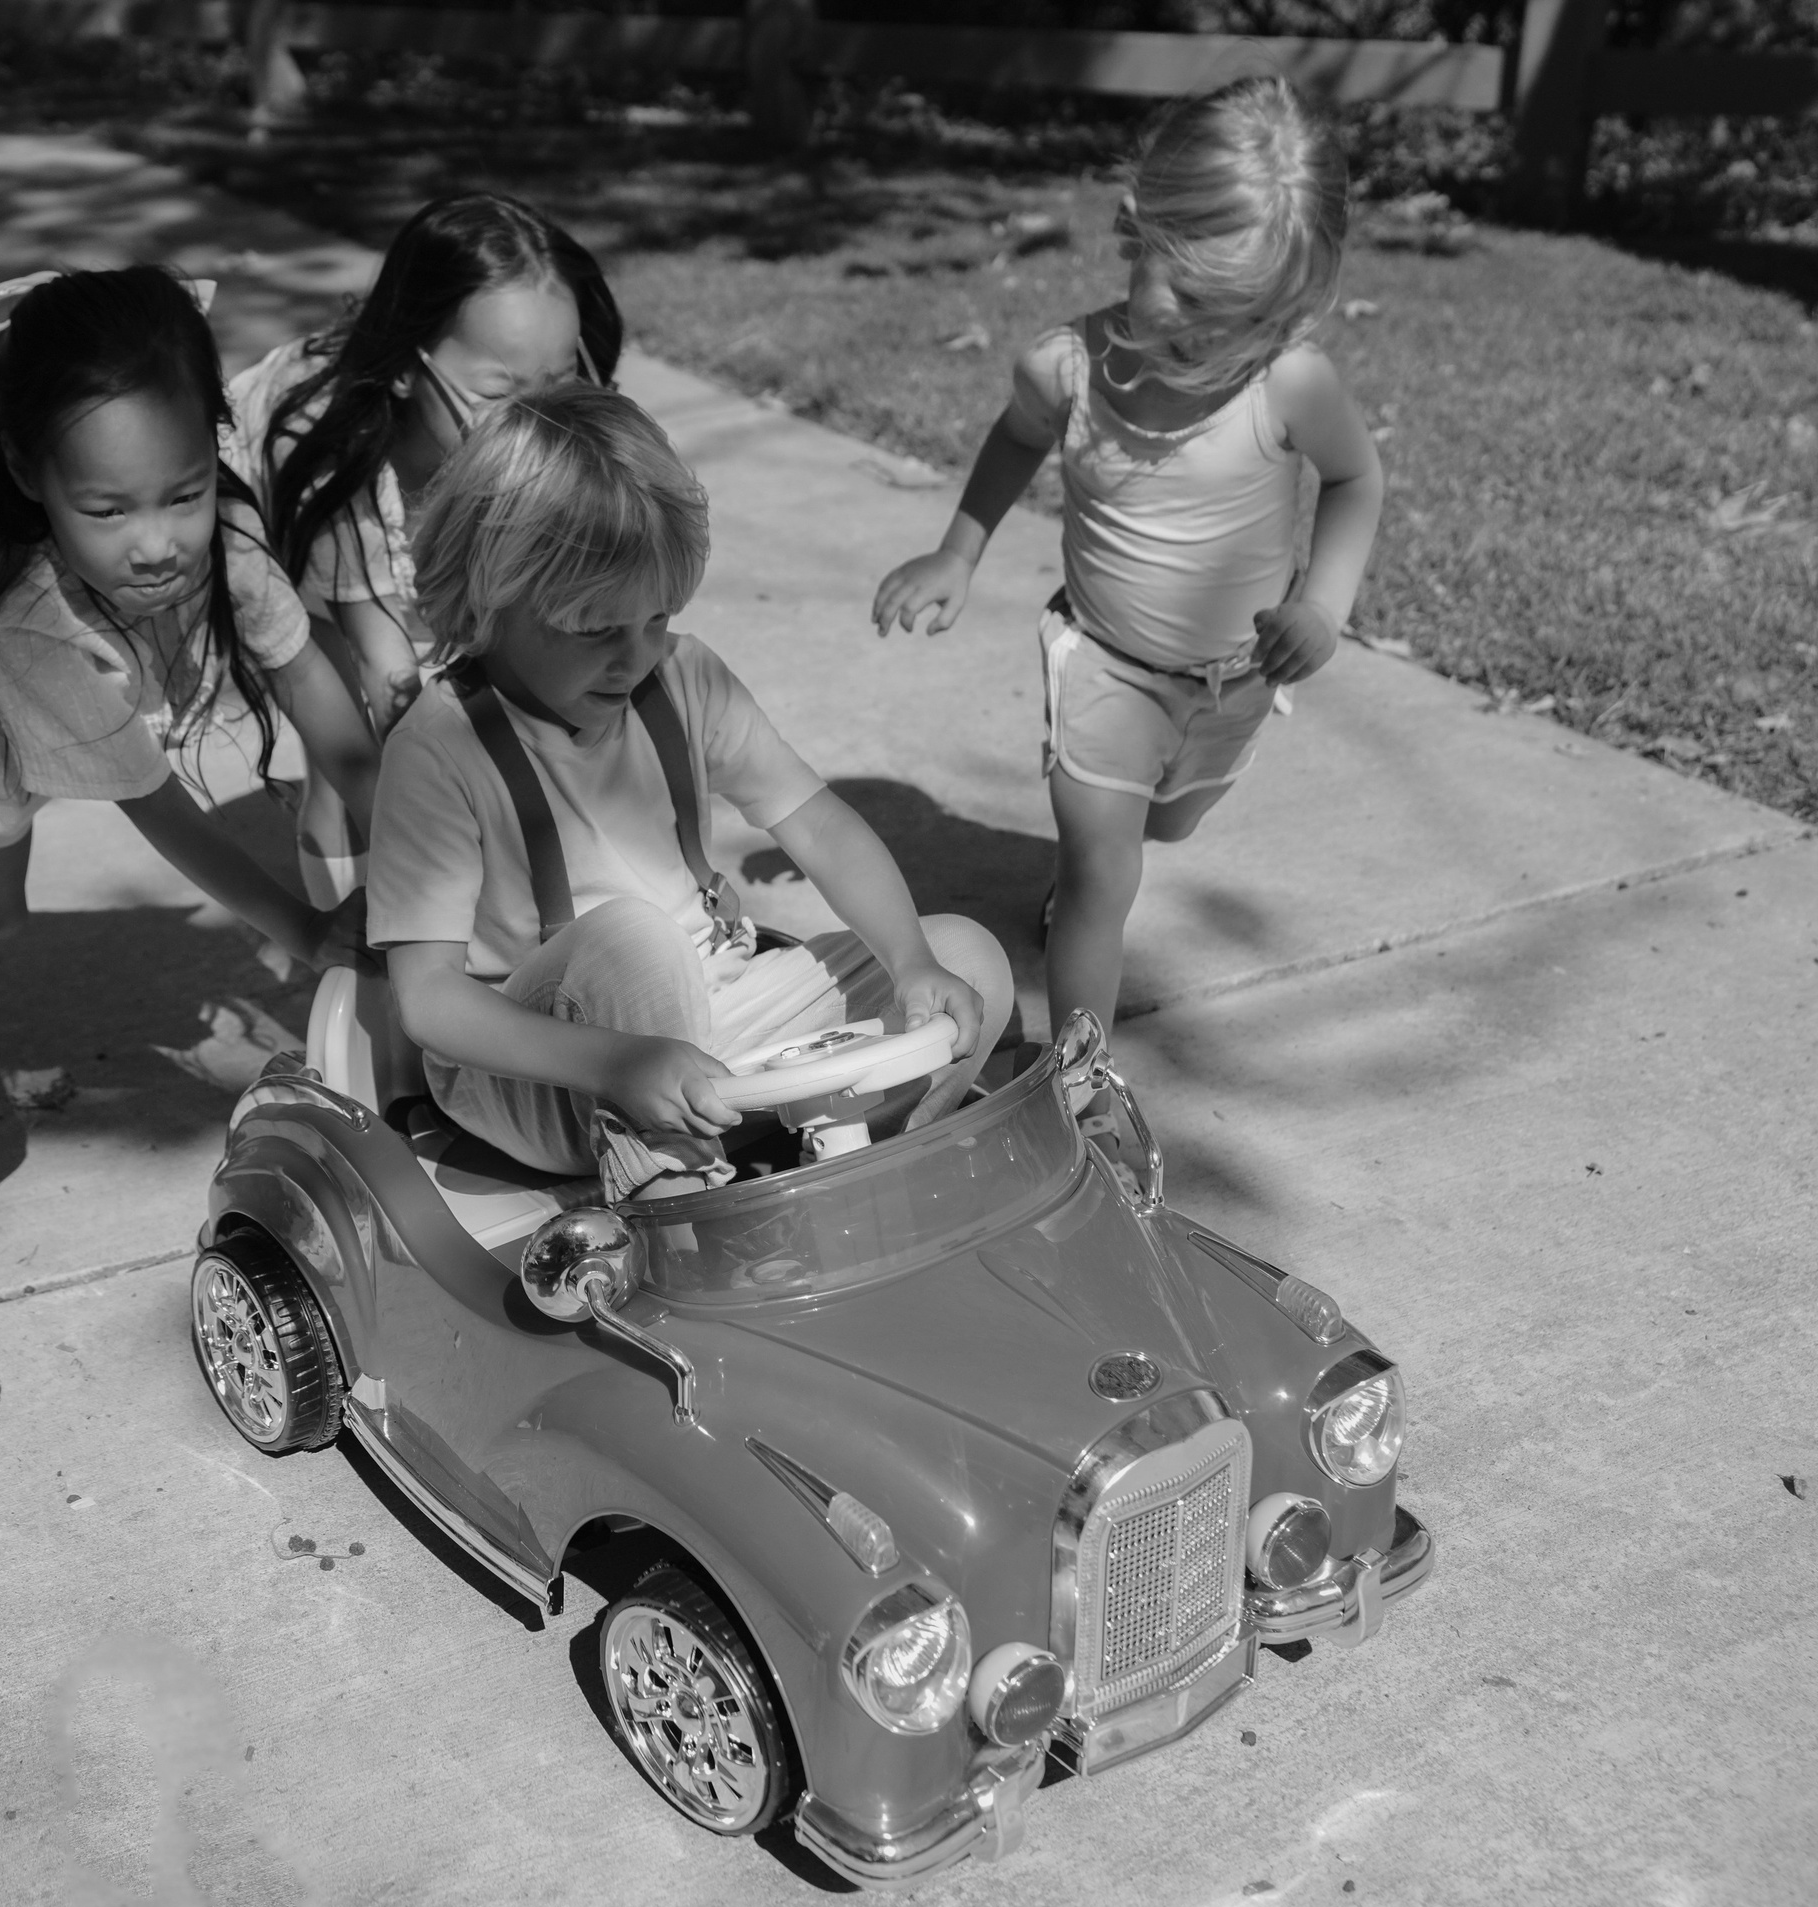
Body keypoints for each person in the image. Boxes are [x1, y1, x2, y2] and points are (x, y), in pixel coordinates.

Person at [0, 266, 377, 1425]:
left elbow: (330, 715)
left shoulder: (224, 543)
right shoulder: (30, 619)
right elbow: (157, 808)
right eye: (108, 510)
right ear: (31, 476)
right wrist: (306, 925)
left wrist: (403, 861)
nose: (157, 542)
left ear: (211, 453)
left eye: (183, 494)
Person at [370, 387, 1014, 1202]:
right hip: (554, 1078)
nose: (635, 656)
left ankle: (886, 1171)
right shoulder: (438, 748)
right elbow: (428, 1002)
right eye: (598, 630)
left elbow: (817, 824)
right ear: (490, 599)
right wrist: (618, 1062)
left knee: (969, 960)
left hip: (715, 1031)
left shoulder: (686, 677)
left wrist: (912, 960)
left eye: (658, 619)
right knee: (635, 941)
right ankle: (679, 1209)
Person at [872, 76, 1383, 1044]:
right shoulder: (1065, 367)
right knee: (1105, 873)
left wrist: (1323, 606)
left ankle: (1105, 860)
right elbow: (1016, 440)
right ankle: (1079, 1075)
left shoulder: (1286, 382)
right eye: (1188, 295)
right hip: (1104, 666)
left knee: (1169, 822)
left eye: (1250, 317)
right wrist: (957, 551)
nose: (1211, 335)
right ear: (1134, 231)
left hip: (1233, 680)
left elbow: (1356, 482)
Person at [225, 190, 623, 904]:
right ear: (407, 367)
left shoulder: (519, 429)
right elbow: (389, 675)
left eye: (559, 382)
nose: (536, 423)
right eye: (500, 391)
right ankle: (351, 943)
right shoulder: (328, 445)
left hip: (388, 534)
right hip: (285, 536)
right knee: (350, 745)